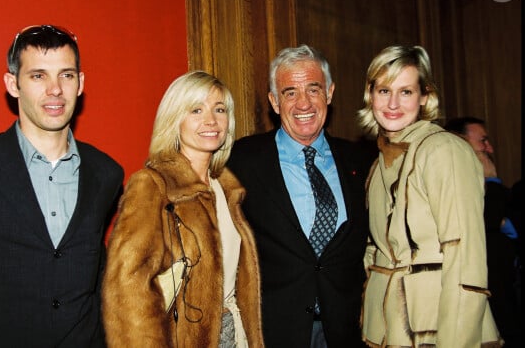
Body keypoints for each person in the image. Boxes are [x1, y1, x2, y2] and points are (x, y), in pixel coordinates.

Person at [0, 25, 124, 347]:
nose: (55, 89)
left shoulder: (105, 173)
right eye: (38, 76)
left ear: (80, 83)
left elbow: (94, 278)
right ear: (13, 84)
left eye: (66, 75)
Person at [102, 71, 263, 347]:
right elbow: (127, 291)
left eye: (219, 109)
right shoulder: (153, 185)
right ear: (175, 119)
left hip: (234, 334)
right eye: (196, 110)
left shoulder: (226, 188)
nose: (211, 120)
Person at [358, 45, 502, 347]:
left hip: (439, 331)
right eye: (384, 91)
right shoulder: (376, 165)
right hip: (388, 331)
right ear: (370, 95)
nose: (393, 103)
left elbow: (466, 261)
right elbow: (375, 254)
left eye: (406, 91)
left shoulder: (444, 150)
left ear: (425, 96)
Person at [227, 45, 371, 347]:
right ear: (274, 102)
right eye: (290, 92)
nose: (303, 103)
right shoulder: (241, 160)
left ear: (329, 94)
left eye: (313, 89)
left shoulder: (362, 161)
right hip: (274, 333)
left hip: (348, 332)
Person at [445, 116, 521, 346]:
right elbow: (487, 220)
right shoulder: (455, 192)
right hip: (489, 309)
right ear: (461, 145)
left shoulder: (508, 193)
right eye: (483, 141)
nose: (490, 148)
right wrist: (491, 180)